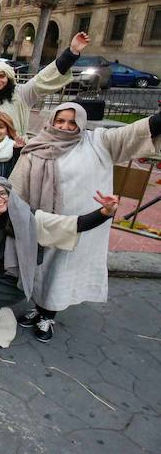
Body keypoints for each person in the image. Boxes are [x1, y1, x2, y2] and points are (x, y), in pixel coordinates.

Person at [10, 102, 161, 341]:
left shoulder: (98, 142)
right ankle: (38, 308)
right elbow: (17, 186)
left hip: (83, 223)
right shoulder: (37, 145)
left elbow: (136, 133)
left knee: (61, 269)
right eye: (60, 121)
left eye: (72, 122)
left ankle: (48, 315)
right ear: (52, 120)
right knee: (42, 266)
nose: (66, 126)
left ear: (81, 123)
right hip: (47, 221)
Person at [0, 177, 119, 348]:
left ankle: (1, 320)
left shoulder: (27, 218)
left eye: (3, 193)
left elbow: (72, 224)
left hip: (10, 280)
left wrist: (105, 212)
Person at [0, 32, 88, 137]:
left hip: (14, 151)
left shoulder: (22, 94)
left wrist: (72, 52)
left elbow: (45, 78)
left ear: (9, 78)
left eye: (2, 76)